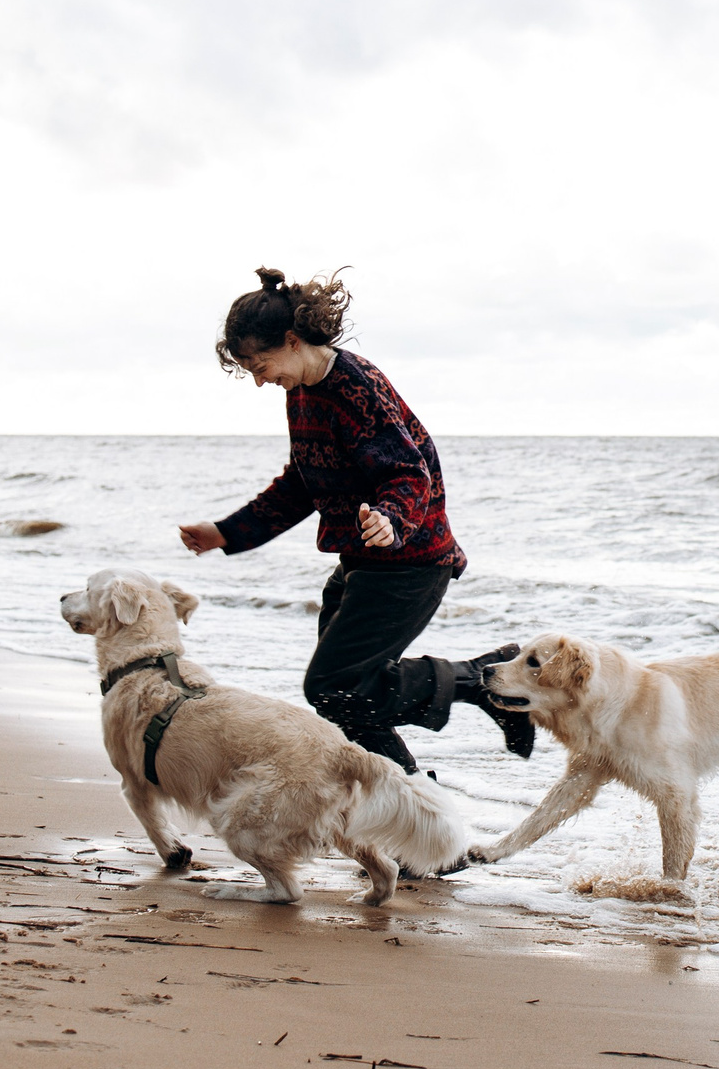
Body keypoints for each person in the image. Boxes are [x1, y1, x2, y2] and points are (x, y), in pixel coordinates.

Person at [177, 267, 532, 774]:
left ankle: (477, 683)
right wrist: (227, 532)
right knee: (343, 699)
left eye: (261, 364)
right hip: (362, 563)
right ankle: (419, 824)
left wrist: (390, 518)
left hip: (411, 562)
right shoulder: (301, 391)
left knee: (335, 688)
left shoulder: (355, 388)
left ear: (293, 342)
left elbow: (409, 473)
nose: (259, 380)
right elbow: (303, 480)